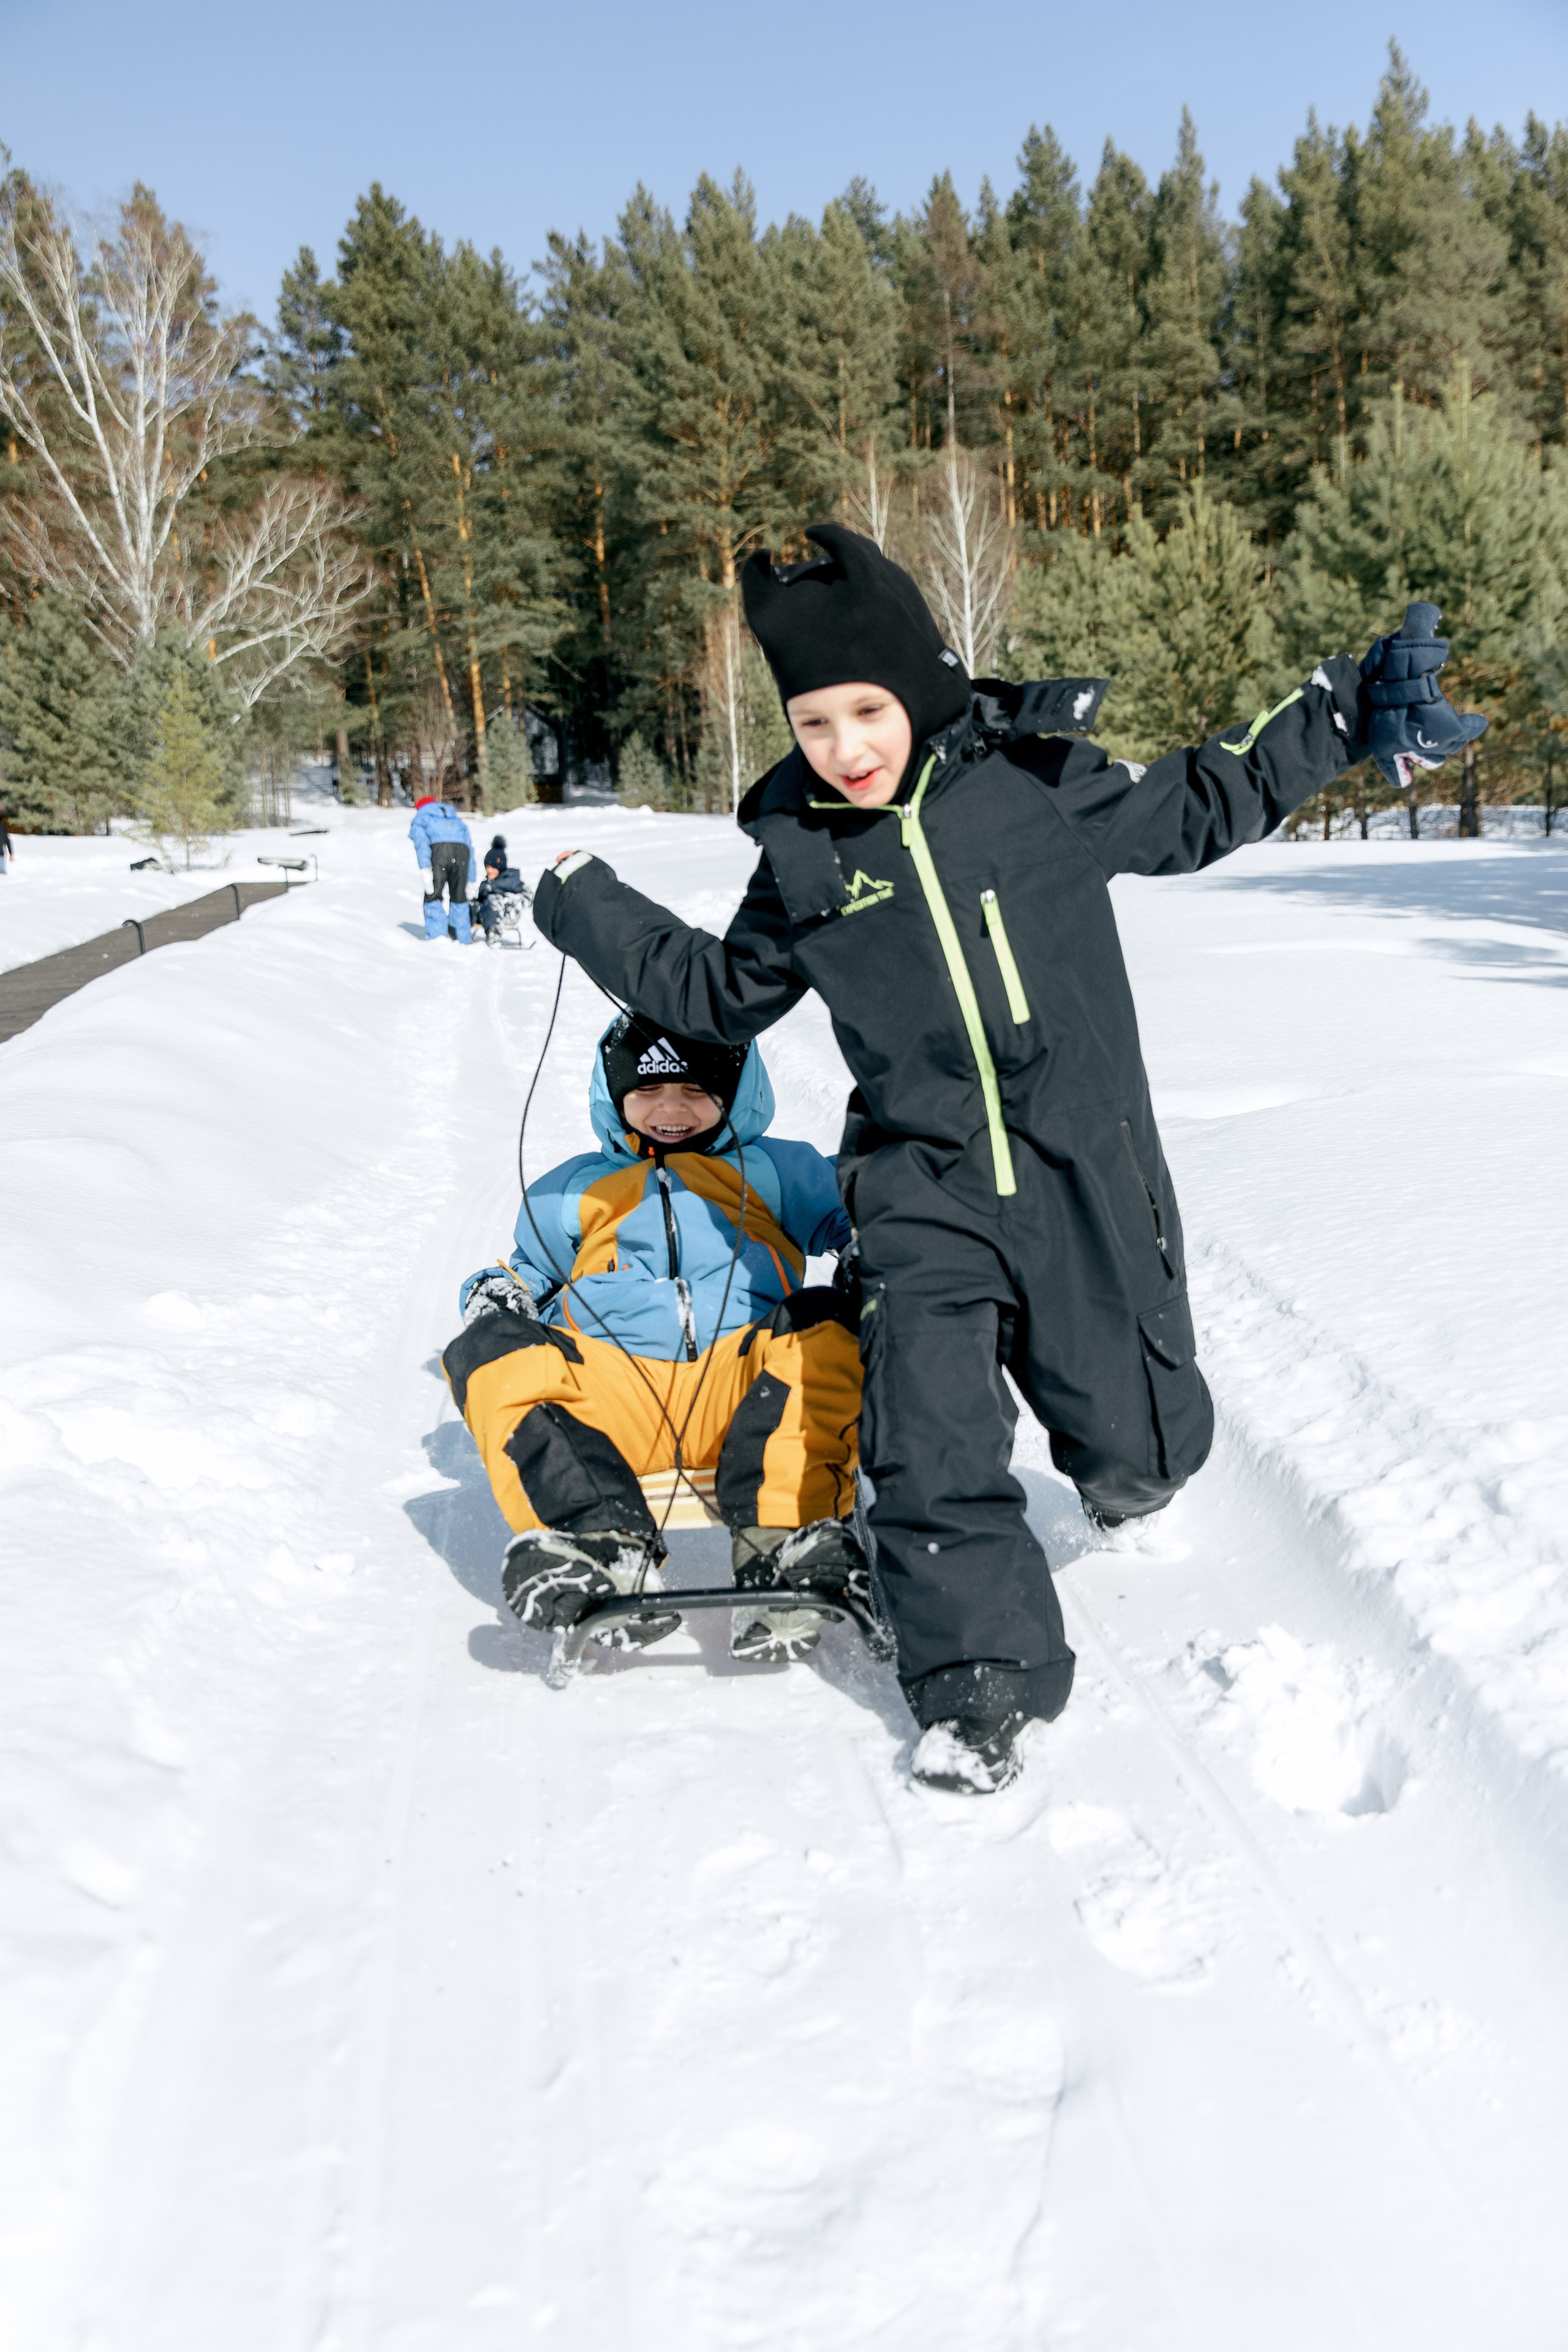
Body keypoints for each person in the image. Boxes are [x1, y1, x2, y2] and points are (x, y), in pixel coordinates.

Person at [528, 527, 1487, 1793]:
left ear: (919, 687)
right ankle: (977, 1686)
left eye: (864, 711)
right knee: (927, 1431)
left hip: (1080, 1163)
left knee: (1141, 1442)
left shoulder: (1031, 784)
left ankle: (1129, 1482)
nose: (843, 749)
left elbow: (1204, 799)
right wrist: (577, 893)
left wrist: (1346, 719)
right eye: (812, 724)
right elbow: (712, 990)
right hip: (917, 1183)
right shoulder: (808, 857)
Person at [443, 1014, 864, 1663]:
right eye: (648, 1092)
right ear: (615, 1098)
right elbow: (528, 1269)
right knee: (491, 1353)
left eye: (695, 1091)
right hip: (613, 1397)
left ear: (734, 1092)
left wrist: (870, 1245)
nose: (671, 1110)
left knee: (825, 1322)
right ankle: (598, 1543)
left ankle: (782, 1539)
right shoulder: (575, 1186)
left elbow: (852, 1211)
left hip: (746, 1385)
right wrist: (501, 1293)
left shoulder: (776, 1169)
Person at [409, 794, 475, 942]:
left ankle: (438, 938)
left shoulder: (422, 817)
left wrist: (425, 869)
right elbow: (470, 848)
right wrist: (470, 878)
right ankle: (462, 938)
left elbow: (422, 844)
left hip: (439, 853)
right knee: (459, 897)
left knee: (433, 894)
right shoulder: (456, 820)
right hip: (462, 853)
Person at [475, 834, 530, 945]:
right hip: (487, 914)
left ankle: (494, 935)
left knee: (494, 900)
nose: (489, 871)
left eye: (492, 868)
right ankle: (457, 929)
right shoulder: (486, 883)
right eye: (487, 867)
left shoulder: (512, 880)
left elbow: (528, 897)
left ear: (500, 867)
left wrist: (510, 899)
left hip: (507, 914)